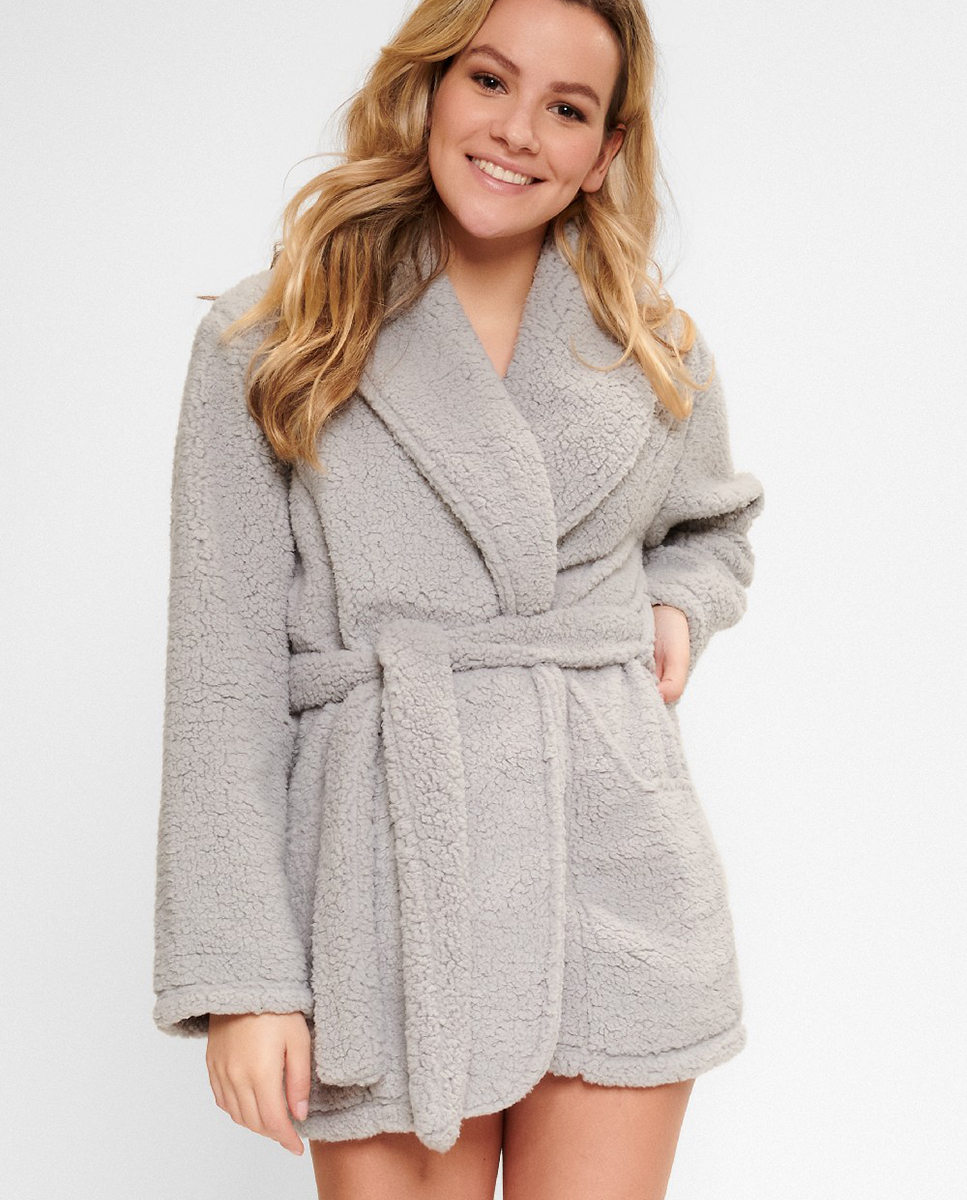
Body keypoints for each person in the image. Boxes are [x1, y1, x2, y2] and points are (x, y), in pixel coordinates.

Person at [152, 0, 766, 1196]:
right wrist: (244, 981)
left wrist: (678, 607)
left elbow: (710, 527)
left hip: (614, 874)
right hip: (387, 891)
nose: (518, 130)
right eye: (489, 80)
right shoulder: (274, 337)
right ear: (429, 87)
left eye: (566, 108)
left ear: (605, 153)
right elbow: (220, 675)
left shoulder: (650, 347)